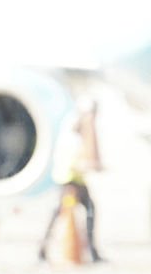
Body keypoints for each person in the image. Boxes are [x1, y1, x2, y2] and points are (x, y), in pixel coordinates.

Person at [38, 102, 104, 263]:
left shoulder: (73, 131)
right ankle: (90, 251)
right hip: (70, 180)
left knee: (62, 213)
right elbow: (76, 158)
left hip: (72, 179)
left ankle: (43, 250)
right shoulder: (74, 134)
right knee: (82, 211)